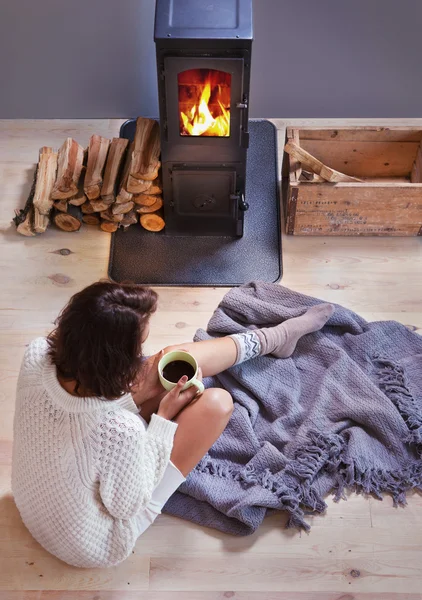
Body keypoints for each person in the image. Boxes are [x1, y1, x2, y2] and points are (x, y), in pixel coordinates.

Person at [12, 281, 334, 568]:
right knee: (217, 404)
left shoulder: (37, 353)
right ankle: (273, 339)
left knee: (167, 359)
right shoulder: (119, 429)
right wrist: (163, 421)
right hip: (93, 542)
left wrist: (139, 391)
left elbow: (81, 421)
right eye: (137, 348)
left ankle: (272, 339)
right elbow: (127, 506)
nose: (142, 353)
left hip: (34, 505)